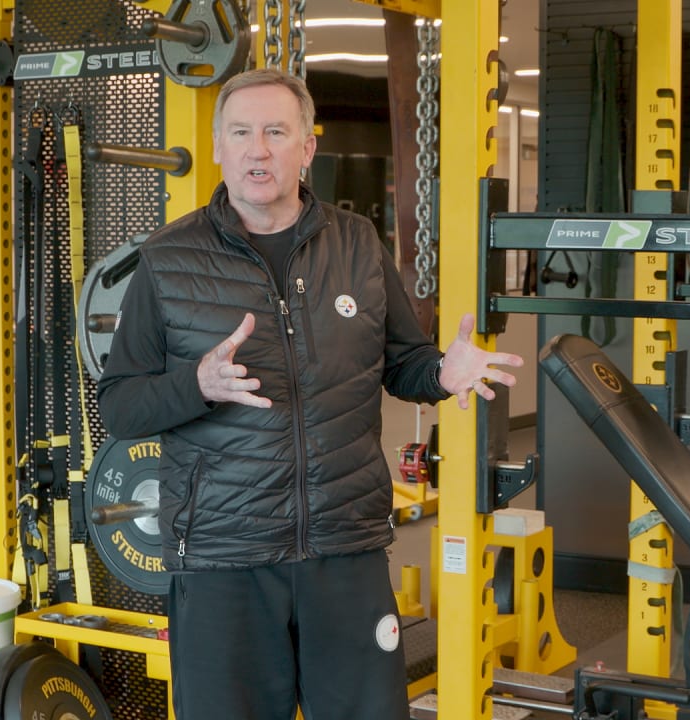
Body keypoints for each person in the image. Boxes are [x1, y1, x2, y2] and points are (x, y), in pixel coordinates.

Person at [97, 68, 521, 720]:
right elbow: (121, 405)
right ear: (218, 146)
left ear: (307, 147)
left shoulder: (357, 245)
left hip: (343, 548)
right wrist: (197, 384)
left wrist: (441, 373)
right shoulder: (167, 258)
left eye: (275, 132)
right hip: (223, 558)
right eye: (241, 132)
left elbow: (403, 363)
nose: (257, 149)